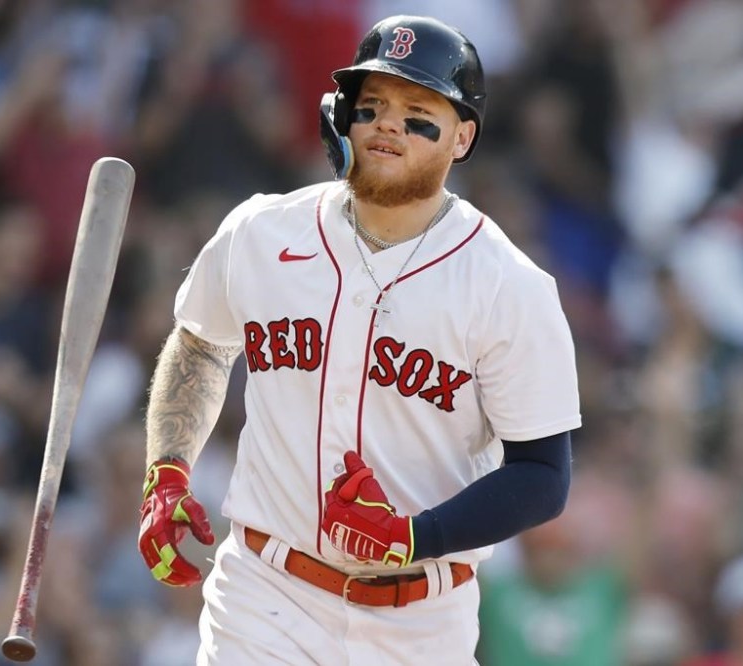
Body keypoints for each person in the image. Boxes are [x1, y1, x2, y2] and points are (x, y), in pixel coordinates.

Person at [137, 15, 581, 664]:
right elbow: (201, 345)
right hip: (266, 598)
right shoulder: (261, 233)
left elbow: (543, 474)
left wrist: (413, 536)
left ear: (462, 138)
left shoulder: (508, 286)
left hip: (421, 622)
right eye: (370, 104)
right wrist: (168, 472)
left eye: (416, 109)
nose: (387, 123)